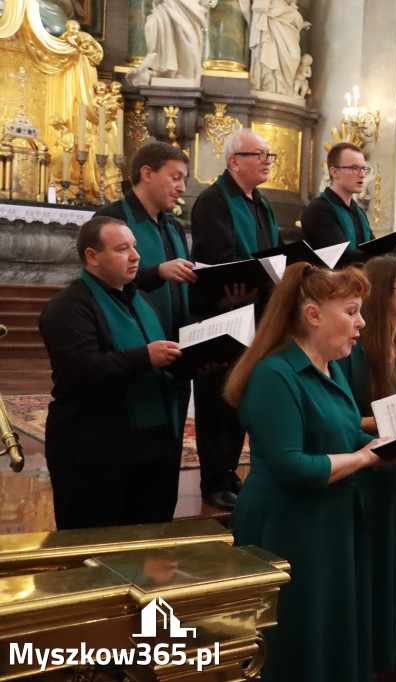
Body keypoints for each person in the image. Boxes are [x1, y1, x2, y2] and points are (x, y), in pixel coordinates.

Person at [224, 263, 396, 682]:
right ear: (313, 314)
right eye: (352, 311)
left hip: (329, 521)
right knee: (296, 639)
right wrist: (367, 459)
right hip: (287, 527)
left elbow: (347, 435)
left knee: (329, 633)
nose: (361, 323)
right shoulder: (274, 373)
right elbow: (293, 466)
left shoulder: (330, 366)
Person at [39, 216, 182, 530]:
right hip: (96, 452)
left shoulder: (140, 299)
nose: (135, 256)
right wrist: (145, 357)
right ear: (92, 257)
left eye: (134, 247)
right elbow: (79, 370)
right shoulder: (69, 307)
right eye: (122, 249)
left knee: (144, 549)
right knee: (95, 551)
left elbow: (161, 362)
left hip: (152, 448)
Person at [336, 256, 396, 673]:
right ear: (383, 293)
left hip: (394, 469)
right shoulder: (353, 350)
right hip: (362, 471)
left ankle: (383, 656)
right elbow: (344, 418)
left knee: (389, 566)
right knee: (366, 570)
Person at [191, 129, 281, 509]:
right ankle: (214, 480)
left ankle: (229, 472)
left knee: (241, 395)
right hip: (221, 313)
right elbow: (218, 258)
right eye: (258, 154)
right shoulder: (213, 201)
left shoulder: (261, 204)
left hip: (258, 312)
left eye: (268, 155)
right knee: (217, 399)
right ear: (233, 161)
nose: (266, 161)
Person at [94, 140, 195, 339]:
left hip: (178, 342)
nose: (182, 188)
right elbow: (104, 285)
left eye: (184, 180)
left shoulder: (174, 227)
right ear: (147, 174)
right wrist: (158, 273)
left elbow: (186, 290)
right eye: (175, 178)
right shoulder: (111, 219)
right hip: (132, 341)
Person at [301, 142, 375, 250]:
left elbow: (373, 248)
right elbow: (341, 257)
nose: (363, 175)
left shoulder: (359, 213)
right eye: (355, 168)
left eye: (364, 169)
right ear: (334, 172)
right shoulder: (318, 210)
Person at [248, 0, 310, 96]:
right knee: (269, 50)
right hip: (271, 12)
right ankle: (269, 85)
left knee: (294, 56)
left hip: (288, 13)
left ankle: (286, 88)